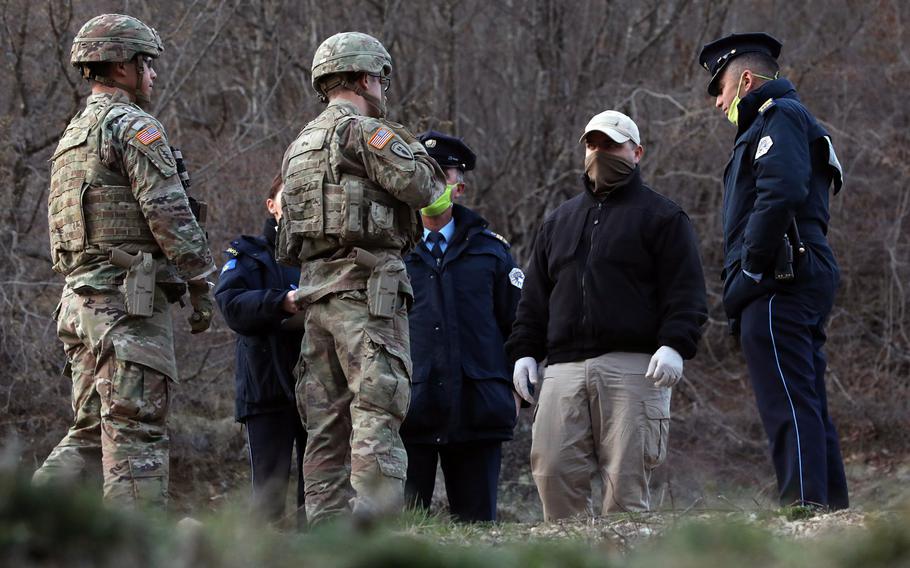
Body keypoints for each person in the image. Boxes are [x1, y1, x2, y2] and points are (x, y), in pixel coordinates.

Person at [34, 13, 215, 508]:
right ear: (119, 67)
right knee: (136, 434)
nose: (153, 74)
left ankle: (19, 524)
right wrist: (201, 281)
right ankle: (136, 550)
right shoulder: (132, 125)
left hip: (79, 303)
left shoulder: (74, 133)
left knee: (93, 434)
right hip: (124, 305)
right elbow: (168, 212)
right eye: (146, 63)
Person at [277, 32, 446, 524]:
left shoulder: (298, 147)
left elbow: (285, 242)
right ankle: (375, 535)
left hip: (315, 297)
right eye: (379, 78)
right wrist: (413, 149)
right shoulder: (363, 132)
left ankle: (326, 535)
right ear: (365, 77)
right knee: (377, 410)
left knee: (324, 424)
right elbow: (427, 190)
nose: (382, 88)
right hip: (367, 295)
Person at [505, 110, 708, 519]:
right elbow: (535, 297)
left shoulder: (663, 217)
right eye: (593, 144)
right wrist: (524, 350)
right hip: (562, 368)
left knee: (625, 488)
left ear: (636, 152)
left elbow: (686, 292)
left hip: (634, 368)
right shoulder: (558, 221)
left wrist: (674, 345)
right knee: (552, 471)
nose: (600, 152)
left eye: (611, 145)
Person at [697, 33, 848, 510]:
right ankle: (828, 508)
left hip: (782, 274)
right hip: (800, 268)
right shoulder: (783, 120)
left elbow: (780, 190)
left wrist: (753, 270)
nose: (718, 102)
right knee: (804, 395)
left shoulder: (777, 116)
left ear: (745, 79)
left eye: (719, 88)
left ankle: (804, 505)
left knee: (786, 398)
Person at [401, 131, 522, 522]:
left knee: (478, 530)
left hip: (477, 410)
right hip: (407, 411)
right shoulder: (390, 252)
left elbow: (518, 324)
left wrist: (517, 388)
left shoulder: (492, 252)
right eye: (426, 172)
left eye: (444, 173)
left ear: (460, 187)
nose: (434, 181)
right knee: (403, 533)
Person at [214, 175, 307, 525]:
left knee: (319, 498)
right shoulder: (249, 253)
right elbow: (231, 305)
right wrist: (282, 302)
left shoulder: (325, 254)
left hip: (320, 390)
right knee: (267, 501)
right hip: (266, 390)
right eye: (288, 196)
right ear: (272, 206)